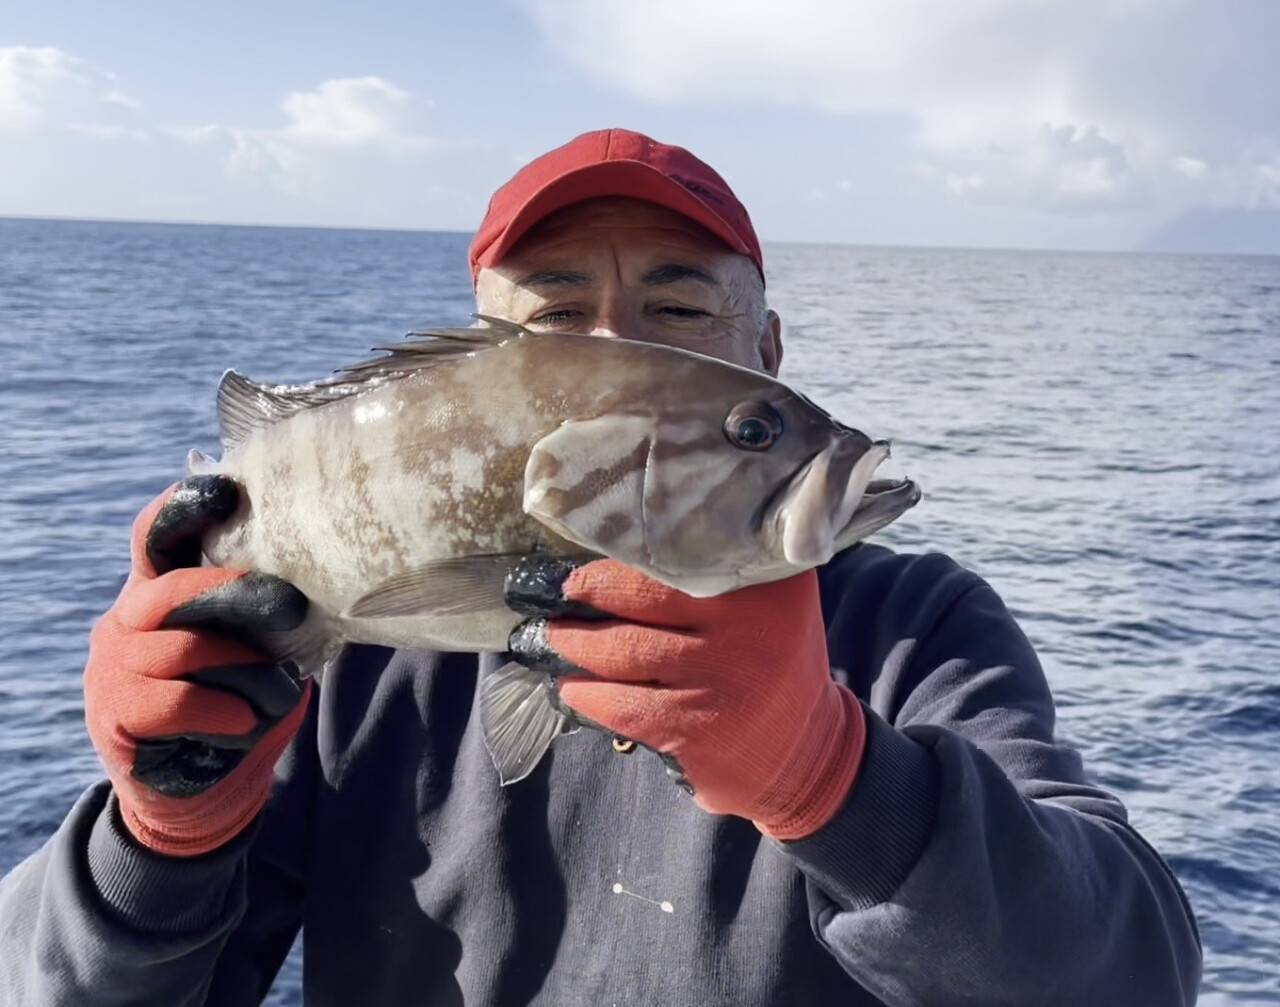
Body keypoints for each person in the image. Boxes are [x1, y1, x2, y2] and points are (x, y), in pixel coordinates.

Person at [0, 128, 1201, 1005]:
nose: (616, 352)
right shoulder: (345, 651)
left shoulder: (912, 624)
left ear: (767, 351)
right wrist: (160, 835)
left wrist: (834, 775)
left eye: (680, 314)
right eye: (552, 319)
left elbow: (1128, 972)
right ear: (476, 369)